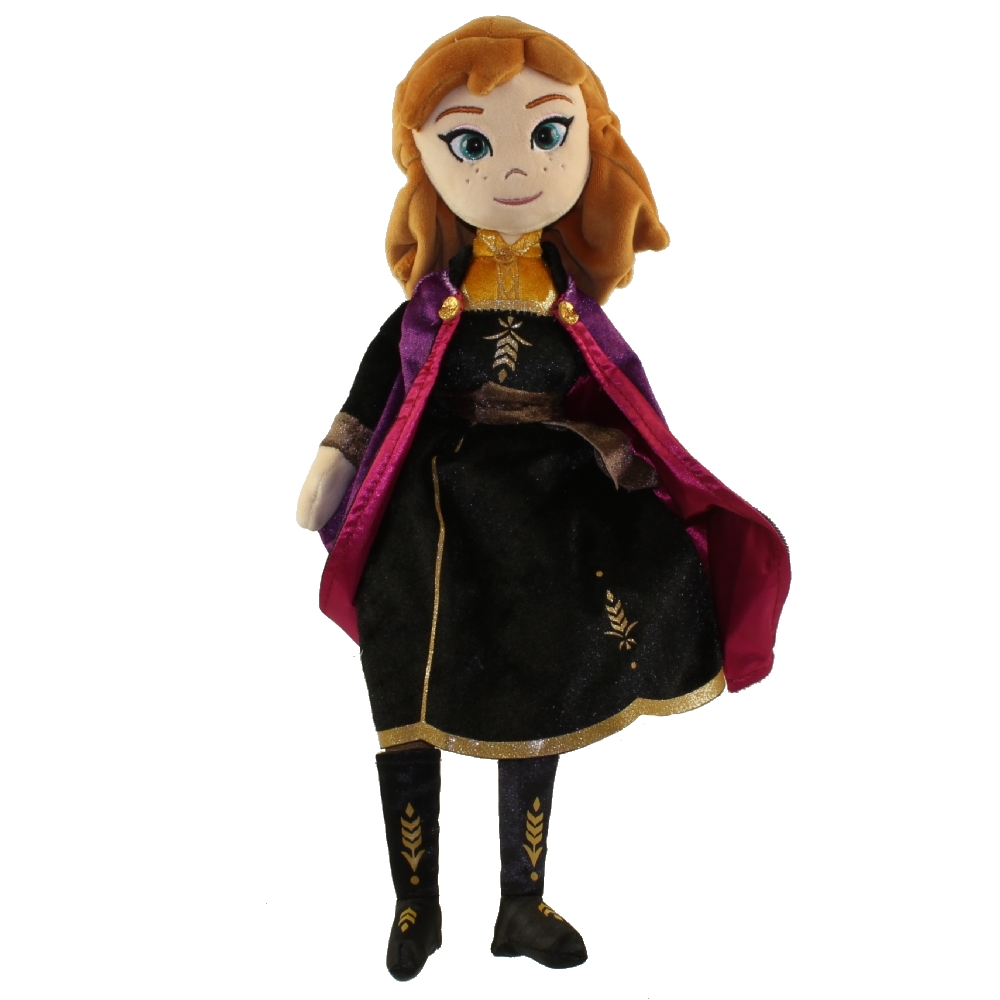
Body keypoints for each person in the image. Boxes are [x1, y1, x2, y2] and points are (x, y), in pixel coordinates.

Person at [296, 17, 790, 981]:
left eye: (547, 132)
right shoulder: (429, 308)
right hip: (433, 517)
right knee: (407, 690)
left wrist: (638, 470)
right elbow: (377, 385)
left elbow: (623, 399)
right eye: (471, 142)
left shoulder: (575, 307)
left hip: (548, 519)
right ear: (427, 160)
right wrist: (336, 455)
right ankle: (414, 900)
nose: (514, 165)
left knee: (537, 687)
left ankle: (520, 902)